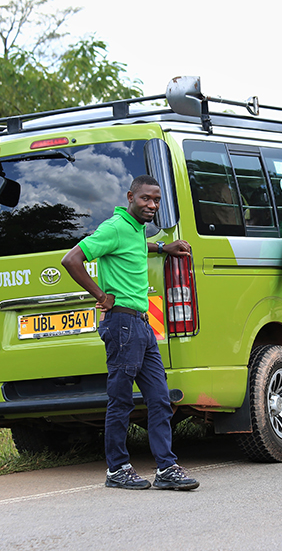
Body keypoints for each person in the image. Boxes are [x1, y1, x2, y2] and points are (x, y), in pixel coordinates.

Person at [61, 175, 199, 491]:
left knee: (160, 399)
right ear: (130, 197)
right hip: (122, 324)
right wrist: (100, 295)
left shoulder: (134, 230)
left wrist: (164, 246)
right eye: (145, 199)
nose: (151, 205)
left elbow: (136, 244)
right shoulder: (114, 227)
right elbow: (72, 259)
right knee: (121, 400)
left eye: (156, 200)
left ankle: (166, 469)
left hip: (142, 325)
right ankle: (118, 469)